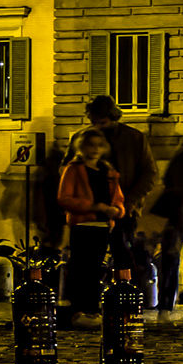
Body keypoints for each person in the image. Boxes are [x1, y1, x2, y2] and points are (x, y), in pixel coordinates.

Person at [56, 127, 127, 324]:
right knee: (81, 269)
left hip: (103, 226)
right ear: (82, 147)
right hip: (83, 225)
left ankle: (92, 309)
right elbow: (64, 198)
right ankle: (79, 309)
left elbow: (118, 199)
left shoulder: (108, 172)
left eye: (98, 145)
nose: (95, 149)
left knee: (96, 269)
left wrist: (116, 210)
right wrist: (94, 206)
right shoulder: (74, 169)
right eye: (90, 145)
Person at [148, 144, 183, 315]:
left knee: (167, 263)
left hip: (170, 220)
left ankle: (164, 301)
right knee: (172, 262)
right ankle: (166, 303)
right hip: (179, 220)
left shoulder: (173, 174)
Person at [85, 95, 155, 221]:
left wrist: (130, 200)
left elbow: (149, 173)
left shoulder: (135, 138)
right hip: (92, 209)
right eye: (94, 122)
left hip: (125, 208)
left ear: (113, 118)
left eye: (102, 123)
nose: (98, 127)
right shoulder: (84, 138)